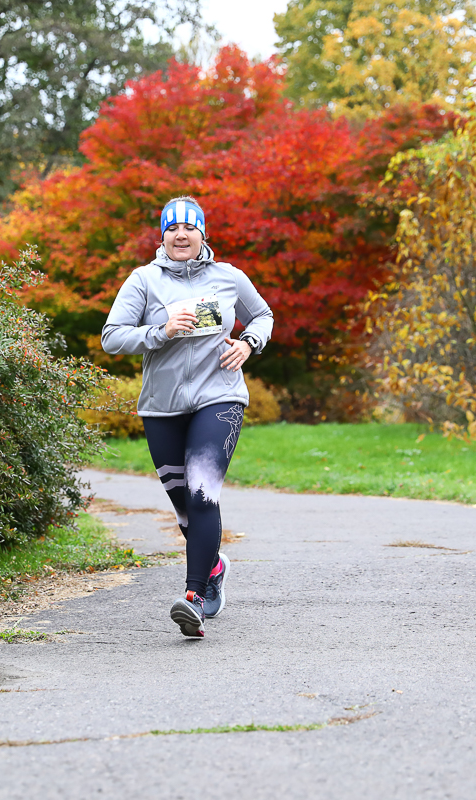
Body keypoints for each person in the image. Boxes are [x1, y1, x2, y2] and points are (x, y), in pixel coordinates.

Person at [101, 197, 274, 638]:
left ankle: (196, 597)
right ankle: (214, 564)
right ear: (162, 236)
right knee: (184, 508)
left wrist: (249, 343)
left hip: (220, 397)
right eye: (172, 228)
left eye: (189, 228)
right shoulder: (144, 281)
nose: (181, 235)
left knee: (202, 494)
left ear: (203, 235)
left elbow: (264, 314)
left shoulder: (229, 277)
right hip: (161, 407)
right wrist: (161, 330)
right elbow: (111, 337)